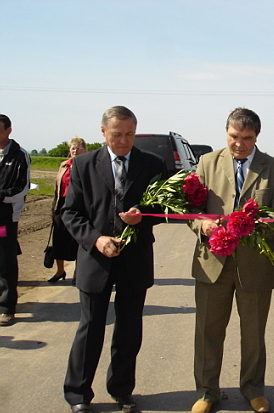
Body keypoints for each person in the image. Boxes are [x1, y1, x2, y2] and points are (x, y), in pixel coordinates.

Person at [61, 106, 167, 413]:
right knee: (90, 327)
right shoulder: (83, 164)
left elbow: (164, 208)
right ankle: (78, 394)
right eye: (117, 134)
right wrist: (96, 239)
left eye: (130, 134)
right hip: (96, 259)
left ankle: (122, 390)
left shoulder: (153, 163)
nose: (124, 140)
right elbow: (70, 212)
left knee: (129, 329)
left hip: (134, 259)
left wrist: (143, 218)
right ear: (103, 132)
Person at [188, 108, 274, 413]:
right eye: (234, 136)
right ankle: (207, 392)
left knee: (253, 334)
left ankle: (253, 388)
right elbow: (189, 208)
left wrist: (255, 225)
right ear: (226, 132)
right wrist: (202, 225)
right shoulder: (207, 163)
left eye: (247, 138)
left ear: (257, 136)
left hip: (255, 266)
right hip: (212, 263)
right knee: (208, 331)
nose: (239, 144)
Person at [0, 114, 30, 327]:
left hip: (4, 216)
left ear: (9, 130)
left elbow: (22, 188)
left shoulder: (19, 155)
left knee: (5, 259)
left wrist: (1, 195)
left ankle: (6, 306)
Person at [48, 136, 87, 284]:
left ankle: (78, 273)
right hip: (62, 204)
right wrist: (53, 209)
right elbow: (57, 189)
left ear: (85, 150)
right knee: (59, 239)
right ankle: (60, 270)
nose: (75, 151)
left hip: (79, 206)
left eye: (79, 148)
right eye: (73, 148)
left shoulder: (86, 166)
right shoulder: (64, 165)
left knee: (77, 240)